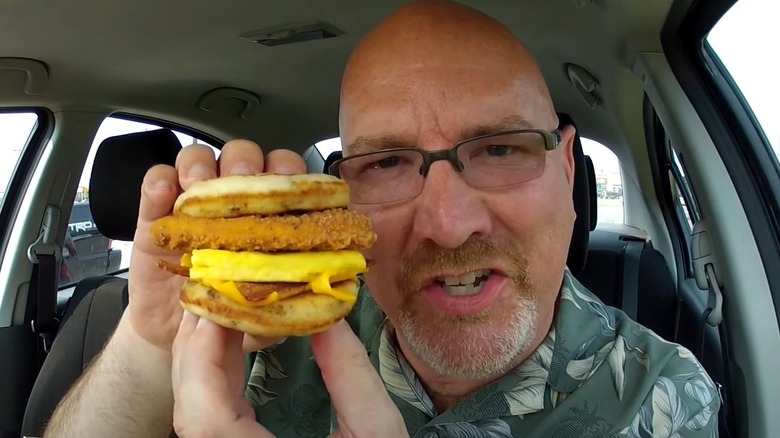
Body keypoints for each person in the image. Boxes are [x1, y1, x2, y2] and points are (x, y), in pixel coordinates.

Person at [44, 1, 720, 437]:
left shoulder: (661, 400)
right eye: (388, 163)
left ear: (567, 169)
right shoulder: (262, 325)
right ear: (344, 200)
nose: (449, 224)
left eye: (498, 149)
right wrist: (152, 344)